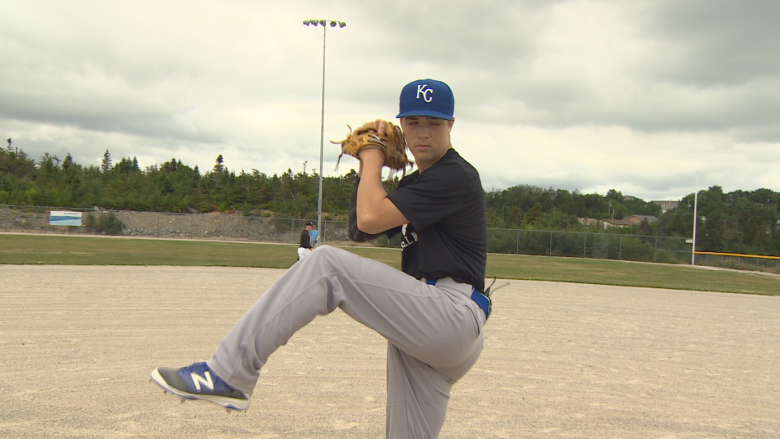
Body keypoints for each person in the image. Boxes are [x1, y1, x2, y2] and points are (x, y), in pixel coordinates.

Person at [150, 79, 489, 438]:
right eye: (414, 122)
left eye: (434, 123)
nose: (423, 133)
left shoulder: (456, 175)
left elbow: (371, 218)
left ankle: (227, 373)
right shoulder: (420, 183)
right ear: (401, 124)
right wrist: (366, 165)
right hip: (431, 330)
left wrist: (372, 153)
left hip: (449, 314)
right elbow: (362, 228)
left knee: (326, 265)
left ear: (451, 125)